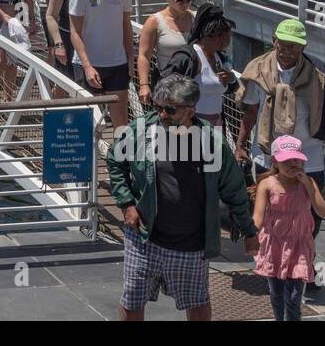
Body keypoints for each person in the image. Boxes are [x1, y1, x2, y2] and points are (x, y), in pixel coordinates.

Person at [108, 74, 258, 321]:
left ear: (191, 111)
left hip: (191, 244)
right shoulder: (140, 130)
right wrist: (126, 204)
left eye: (169, 109)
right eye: (157, 108)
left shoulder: (211, 142)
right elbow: (115, 161)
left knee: (198, 305)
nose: (162, 115)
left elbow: (234, 191)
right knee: (132, 300)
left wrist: (249, 232)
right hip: (145, 237)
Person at [235, 18, 325, 242]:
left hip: (309, 156)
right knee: (268, 214)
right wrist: (240, 144)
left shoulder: (319, 75)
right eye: (283, 44)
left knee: (311, 215)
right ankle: (274, 265)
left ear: (303, 47)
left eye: (294, 46)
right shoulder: (256, 70)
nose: (287, 51)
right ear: (273, 41)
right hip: (268, 156)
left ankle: (304, 263)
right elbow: (250, 111)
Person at [253, 134, 325, 321]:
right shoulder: (267, 184)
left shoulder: (308, 183)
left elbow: (322, 211)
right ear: (275, 162)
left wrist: (308, 186)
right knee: (276, 293)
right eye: (286, 161)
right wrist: (251, 235)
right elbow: (258, 216)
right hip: (274, 244)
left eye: (296, 160)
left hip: (298, 245)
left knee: (294, 296)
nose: (292, 164)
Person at [68, 0, 134, 128]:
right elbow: (75, 32)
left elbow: (126, 24)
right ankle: (93, 156)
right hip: (88, 63)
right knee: (90, 122)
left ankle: (122, 157)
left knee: (121, 120)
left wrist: (130, 58)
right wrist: (87, 66)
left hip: (117, 61)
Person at [160, 3, 238, 127]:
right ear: (219, 37)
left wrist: (232, 80)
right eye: (229, 35)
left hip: (215, 124)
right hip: (189, 126)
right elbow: (164, 88)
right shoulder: (187, 57)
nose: (230, 39)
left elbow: (231, 87)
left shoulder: (220, 57)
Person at [136, 0, 196, 109]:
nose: (185, 4)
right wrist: (144, 85)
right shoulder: (154, 21)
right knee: (168, 127)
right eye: (180, 0)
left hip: (193, 83)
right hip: (167, 84)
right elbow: (144, 55)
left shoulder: (196, 18)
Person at [44, 0, 91, 84]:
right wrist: (58, 45)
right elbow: (50, 16)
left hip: (89, 38)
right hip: (67, 38)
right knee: (64, 83)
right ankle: (58, 105)